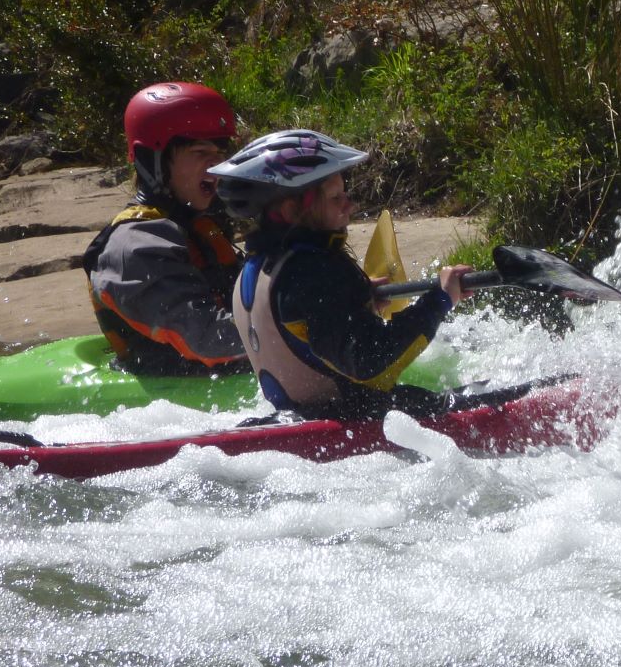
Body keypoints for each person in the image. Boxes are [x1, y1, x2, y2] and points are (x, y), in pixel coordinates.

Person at [207, 129, 480, 418]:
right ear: (290, 210)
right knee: (523, 395)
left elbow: (304, 328)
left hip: (296, 424)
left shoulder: (254, 269)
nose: (350, 204)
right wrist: (440, 300)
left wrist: (353, 300)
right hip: (356, 425)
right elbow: (370, 363)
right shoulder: (313, 273)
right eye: (336, 197)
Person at [82, 81, 247, 374]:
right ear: (153, 162)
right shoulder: (135, 245)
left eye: (220, 153)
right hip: (172, 394)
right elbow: (207, 339)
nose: (217, 165)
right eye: (200, 152)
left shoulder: (199, 225)